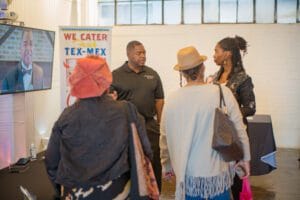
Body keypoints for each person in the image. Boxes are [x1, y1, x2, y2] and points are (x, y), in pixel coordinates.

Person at [45, 56, 152, 199]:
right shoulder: (126, 110)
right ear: (106, 81)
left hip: (77, 192)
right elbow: (146, 151)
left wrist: (62, 190)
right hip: (117, 191)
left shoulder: (66, 117)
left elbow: (51, 162)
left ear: (76, 81)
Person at [160, 46, 251, 200]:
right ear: (203, 67)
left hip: (188, 177)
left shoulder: (171, 100)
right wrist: (245, 159)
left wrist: (166, 166)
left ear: (182, 73)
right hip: (217, 177)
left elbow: (164, 138)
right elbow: (240, 129)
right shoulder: (222, 92)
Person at [111, 40, 164, 190]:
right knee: (128, 161)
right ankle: (130, 192)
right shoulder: (115, 75)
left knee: (153, 160)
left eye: (144, 53)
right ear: (128, 54)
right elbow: (110, 101)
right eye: (139, 53)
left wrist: (160, 123)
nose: (143, 56)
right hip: (126, 126)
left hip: (149, 125)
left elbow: (159, 100)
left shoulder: (152, 74)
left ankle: (155, 192)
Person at [211, 36, 256, 200]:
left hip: (235, 136)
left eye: (216, 51)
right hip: (218, 135)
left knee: (236, 179)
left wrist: (229, 114)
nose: (213, 55)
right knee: (220, 174)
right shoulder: (215, 77)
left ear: (227, 54)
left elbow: (251, 108)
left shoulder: (243, 79)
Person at [1, 29, 43, 93]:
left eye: (31, 44)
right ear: (20, 48)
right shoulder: (8, 78)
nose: (28, 48)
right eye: (25, 44)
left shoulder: (40, 72)